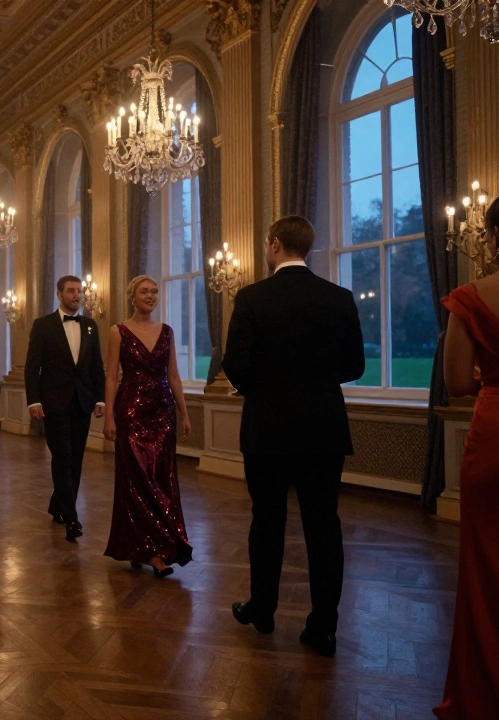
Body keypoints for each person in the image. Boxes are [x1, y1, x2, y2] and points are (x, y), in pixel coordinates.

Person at [223, 215, 365, 658]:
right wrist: (315, 382)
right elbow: (355, 366)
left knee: (267, 521)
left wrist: (265, 390)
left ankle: (263, 611)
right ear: (309, 247)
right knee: (324, 526)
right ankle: (323, 627)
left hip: (267, 428)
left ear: (274, 245)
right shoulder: (339, 298)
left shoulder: (252, 297)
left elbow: (235, 363)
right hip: (324, 427)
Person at [434, 187, 499, 719]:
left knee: (491, 573)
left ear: (494, 237)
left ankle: (491, 695)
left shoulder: (471, 297)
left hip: (498, 438)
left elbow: (456, 384)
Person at [101, 276, 193, 578]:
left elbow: (174, 376)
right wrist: (109, 417)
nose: (151, 296)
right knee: (137, 480)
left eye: (154, 291)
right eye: (144, 292)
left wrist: (184, 413)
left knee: (161, 479)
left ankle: (150, 546)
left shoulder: (167, 331)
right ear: (132, 297)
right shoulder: (118, 332)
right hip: (131, 412)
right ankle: (150, 551)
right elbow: (111, 376)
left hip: (162, 413)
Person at [25, 275, 106, 541]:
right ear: (59, 295)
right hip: (54, 402)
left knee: (76, 458)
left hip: (82, 402)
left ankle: (57, 504)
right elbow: (32, 366)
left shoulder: (90, 326)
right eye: (71, 291)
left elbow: (96, 365)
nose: (77, 295)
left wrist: (100, 398)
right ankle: (71, 518)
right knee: (62, 455)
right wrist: (34, 400)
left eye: (79, 291)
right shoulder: (43, 325)